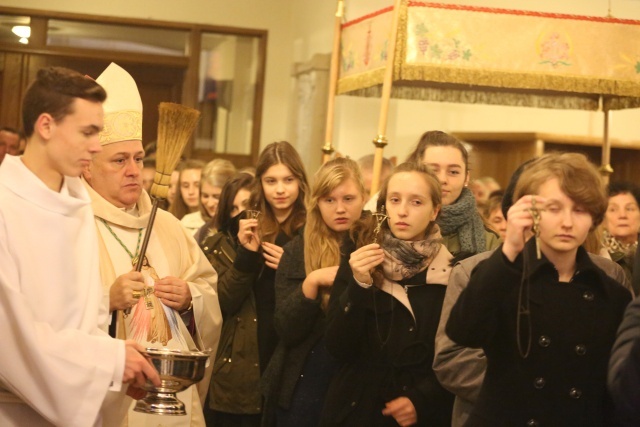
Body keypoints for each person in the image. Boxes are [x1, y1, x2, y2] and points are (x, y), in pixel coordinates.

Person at [0, 66, 159, 426]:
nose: (96, 146)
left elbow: (84, 322)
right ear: (46, 126)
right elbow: (11, 339)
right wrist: (110, 361)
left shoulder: (76, 202)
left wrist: (115, 363)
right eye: (88, 132)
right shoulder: (4, 206)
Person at [433, 157, 632, 427]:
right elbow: (463, 331)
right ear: (530, 212)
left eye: (580, 210)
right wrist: (510, 250)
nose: (567, 222)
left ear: (594, 218)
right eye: (553, 208)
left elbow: (617, 384)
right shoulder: (502, 278)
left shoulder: (612, 292)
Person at [83, 62, 222, 426]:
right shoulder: (74, 225)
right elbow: (47, 317)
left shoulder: (169, 226)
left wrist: (191, 297)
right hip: (108, 401)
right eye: (119, 160)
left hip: (170, 403)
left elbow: (209, 291)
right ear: (87, 167)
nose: (134, 170)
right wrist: (106, 300)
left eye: (139, 159)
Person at [321, 162, 455, 426]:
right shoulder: (360, 255)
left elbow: (457, 356)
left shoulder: (451, 272)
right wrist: (359, 285)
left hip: (415, 414)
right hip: (356, 410)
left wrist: (422, 399)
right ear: (383, 208)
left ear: (434, 211)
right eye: (395, 200)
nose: (402, 211)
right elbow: (337, 347)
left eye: (416, 202)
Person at [204, 141, 309, 427]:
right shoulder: (238, 227)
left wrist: (293, 266)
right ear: (260, 184)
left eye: (288, 180)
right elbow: (220, 303)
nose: (280, 189)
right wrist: (246, 256)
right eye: (271, 180)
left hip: (293, 356)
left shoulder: (314, 229)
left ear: (300, 181)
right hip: (243, 359)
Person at [261, 158, 366, 426]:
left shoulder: (374, 245)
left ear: (364, 197)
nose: (340, 208)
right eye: (329, 200)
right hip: (305, 377)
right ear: (317, 203)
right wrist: (312, 283)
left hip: (357, 376)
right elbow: (285, 329)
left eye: (349, 198)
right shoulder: (297, 250)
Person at [186, 158, 237, 240]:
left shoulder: (241, 226)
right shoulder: (189, 224)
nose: (210, 204)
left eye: (216, 197)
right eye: (205, 196)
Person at [603, 181, 640, 290]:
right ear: (603, 219)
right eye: (613, 209)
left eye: (629, 209)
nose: (622, 215)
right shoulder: (594, 253)